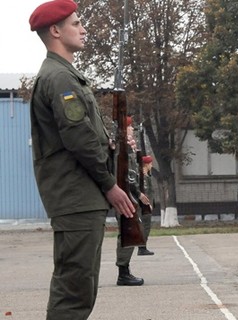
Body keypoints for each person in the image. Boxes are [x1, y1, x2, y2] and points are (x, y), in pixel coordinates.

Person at [29, 1, 135, 318]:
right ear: (56, 31)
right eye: (76, 23)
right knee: (74, 289)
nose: (83, 28)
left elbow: (86, 134)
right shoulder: (59, 78)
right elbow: (78, 137)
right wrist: (109, 184)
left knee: (81, 285)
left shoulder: (66, 74)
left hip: (80, 194)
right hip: (76, 195)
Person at [115, 116, 146, 286]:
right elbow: (127, 174)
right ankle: (123, 272)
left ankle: (124, 270)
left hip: (127, 193)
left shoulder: (128, 148)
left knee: (131, 231)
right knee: (128, 232)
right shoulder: (122, 148)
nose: (132, 130)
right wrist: (137, 193)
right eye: (129, 128)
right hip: (124, 194)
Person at [138, 155, 155, 256]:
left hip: (146, 204)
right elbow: (145, 192)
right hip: (144, 206)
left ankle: (143, 246)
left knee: (146, 226)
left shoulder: (146, 175)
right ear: (147, 164)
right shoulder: (143, 177)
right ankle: (142, 247)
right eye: (150, 163)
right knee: (145, 226)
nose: (151, 165)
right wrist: (148, 204)